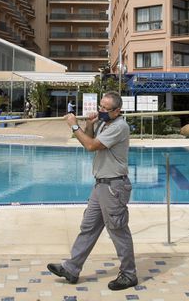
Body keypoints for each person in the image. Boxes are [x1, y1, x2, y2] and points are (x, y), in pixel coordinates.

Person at [47, 91, 137, 291]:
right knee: (88, 227)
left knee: (118, 230)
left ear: (117, 111)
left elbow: (90, 146)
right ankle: (72, 268)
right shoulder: (106, 123)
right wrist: (88, 124)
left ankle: (129, 274)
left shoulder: (119, 126)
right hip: (101, 185)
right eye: (100, 107)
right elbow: (88, 137)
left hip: (114, 186)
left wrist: (73, 125)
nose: (101, 111)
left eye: (106, 109)